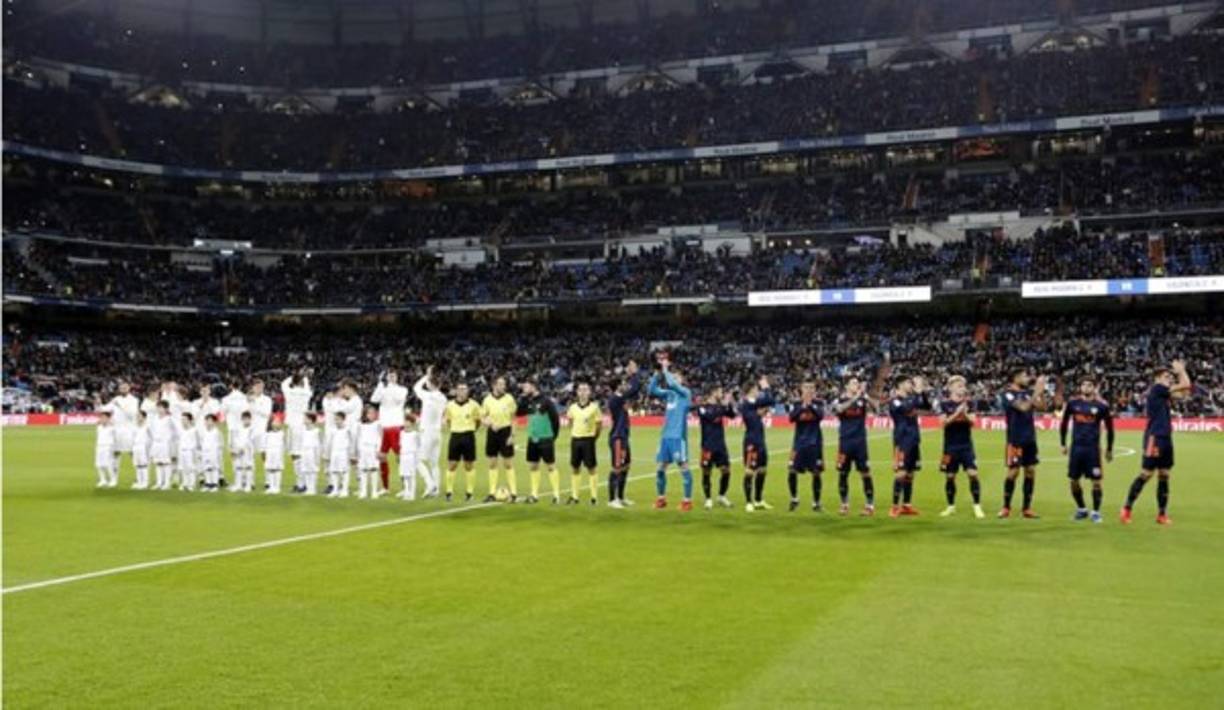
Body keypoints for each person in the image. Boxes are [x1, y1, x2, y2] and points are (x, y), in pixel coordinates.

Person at [1121, 360, 1191, 525]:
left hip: (1166, 437)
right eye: (1167, 376)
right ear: (1158, 378)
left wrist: (1182, 375)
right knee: (1146, 474)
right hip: (1155, 437)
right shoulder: (1157, 389)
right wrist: (1181, 371)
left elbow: (1185, 392)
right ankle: (1126, 508)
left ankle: (1161, 514)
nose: (1170, 379)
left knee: (1164, 475)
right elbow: (1185, 383)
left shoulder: (1164, 392)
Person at [1059, 378, 1114, 523]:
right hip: (1076, 448)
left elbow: (1110, 429)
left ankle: (1095, 512)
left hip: (1093, 449)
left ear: (1094, 388)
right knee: (1073, 480)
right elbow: (1064, 424)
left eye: (1089, 385)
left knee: (1096, 482)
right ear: (1080, 387)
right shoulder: (1073, 404)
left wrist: (1109, 448)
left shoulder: (1101, 407)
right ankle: (1082, 509)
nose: (1086, 387)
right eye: (1083, 384)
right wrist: (1063, 443)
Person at [999, 369, 1049, 519]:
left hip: (1029, 438)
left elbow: (1043, 408)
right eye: (1025, 375)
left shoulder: (1027, 393)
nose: (1027, 378)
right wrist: (1036, 392)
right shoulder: (1007, 394)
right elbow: (1023, 407)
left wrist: (1040, 393)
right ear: (1015, 378)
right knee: (1013, 473)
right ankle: (1006, 507)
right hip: (1015, 439)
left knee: (1030, 471)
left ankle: (1026, 508)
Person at [648, 359, 694, 511]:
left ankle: (687, 501)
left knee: (683, 466)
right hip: (665, 437)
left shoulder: (685, 393)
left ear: (682, 380)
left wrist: (666, 368)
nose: (673, 378)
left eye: (677, 377)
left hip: (678, 437)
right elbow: (651, 391)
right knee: (660, 468)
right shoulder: (669, 394)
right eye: (673, 376)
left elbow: (673, 384)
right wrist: (656, 374)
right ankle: (661, 499)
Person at [938, 376, 985, 519]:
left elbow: (972, 422)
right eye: (958, 385)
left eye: (963, 385)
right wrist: (957, 413)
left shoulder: (970, 404)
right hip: (950, 447)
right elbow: (943, 423)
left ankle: (977, 506)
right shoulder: (944, 404)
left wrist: (963, 413)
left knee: (973, 474)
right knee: (950, 476)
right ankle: (950, 506)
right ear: (951, 387)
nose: (962, 388)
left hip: (966, 446)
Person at [832, 376, 875, 516]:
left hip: (860, 443)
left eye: (857, 383)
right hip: (845, 442)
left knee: (865, 473)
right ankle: (844, 504)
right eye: (853, 383)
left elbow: (877, 408)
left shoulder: (862, 400)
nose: (856, 385)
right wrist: (855, 398)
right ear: (847, 386)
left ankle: (869, 505)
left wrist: (866, 397)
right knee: (843, 473)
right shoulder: (840, 400)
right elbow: (838, 409)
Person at [888, 375, 929, 517]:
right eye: (908, 383)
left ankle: (906, 505)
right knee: (901, 473)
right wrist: (917, 393)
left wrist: (922, 392)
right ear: (899, 385)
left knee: (911, 473)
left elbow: (927, 406)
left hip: (914, 440)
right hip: (902, 441)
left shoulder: (912, 398)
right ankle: (894, 506)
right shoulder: (895, 401)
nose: (911, 385)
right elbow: (906, 408)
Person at [518, 379, 561, 504]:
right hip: (532, 438)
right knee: (533, 466)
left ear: (533, 387)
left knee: (551, 466)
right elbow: (519, 412)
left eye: (526, 387)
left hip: (546, 438)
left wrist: (553, 436)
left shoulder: (546, 401)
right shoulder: (528, 401)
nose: (524, 389)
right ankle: (534, 495)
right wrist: (524, 397)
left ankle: (556, 495)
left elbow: (555, 419)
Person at [605, 360, 640, 508]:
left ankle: (621, 497)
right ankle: (612, 500)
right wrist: (633, 373)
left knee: (626, 466)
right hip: (617, 437)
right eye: (623, 383)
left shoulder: (620, 398)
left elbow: (634, 393)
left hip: (623, 436)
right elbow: (635, 388)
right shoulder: (615, 398)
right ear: (618, 386)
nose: (625, 385)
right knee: (617, 467)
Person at [786, 380, 825, 512]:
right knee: (792, 470)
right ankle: (794, 499)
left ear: (814, 391)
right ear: (801, 390)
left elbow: (820, 416)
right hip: (798, 444)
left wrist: (811, 406)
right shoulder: (796, 404)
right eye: (806, 387)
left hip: (815, 443)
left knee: (816, 472)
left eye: (811, 388)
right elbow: (791, 418)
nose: (809, 390)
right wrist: (803, 406)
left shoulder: (819, 403)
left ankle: (816, 503)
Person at [739, 376, 774, 512]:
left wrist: (760, 410)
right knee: (749, 472)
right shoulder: (746, 403)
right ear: (751, 390)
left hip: (760, 440)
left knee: (762, 470)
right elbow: (769, 400)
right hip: (751, 442)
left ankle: (758, 500)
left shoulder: (754, 404)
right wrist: (766, 386)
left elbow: (769, 402)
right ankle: (748, 502)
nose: (758, 391)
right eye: (756, 389)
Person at [480, 376, 518, 503]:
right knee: (492, 463)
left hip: (506, 431)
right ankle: (491, 493)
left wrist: (512, 435)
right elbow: (483, 419)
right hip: (492, 433)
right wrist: (489, 423)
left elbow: (513, 418)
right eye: (501, 384)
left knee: (508, 463)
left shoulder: (509, 399)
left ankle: (513, 493)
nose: (503, 386)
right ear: (494, 386)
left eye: (504, 384)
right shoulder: (487, 400)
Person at [698, 385, 736, 510]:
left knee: (726, 470)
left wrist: (729, 404)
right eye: (720, 391)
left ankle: (721, 496)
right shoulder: (702, 407)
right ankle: (708, 499)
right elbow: (712, 417)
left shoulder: (720, 406)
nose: (722, 393)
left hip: (720, 445)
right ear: (713, 393)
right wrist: (724, 405)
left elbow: (732, 415)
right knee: (706, 471)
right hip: (707, 446)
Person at [371, 370, 409, 493]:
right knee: (382, 457)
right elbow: (374, 399)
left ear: (397, 377)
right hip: (384, 426)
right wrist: (379, 385)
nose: (392, 377)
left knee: (400, 457)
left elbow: (398, 399)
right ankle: (385, 487)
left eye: (394, 375)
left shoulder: (402, 389)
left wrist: (389, 387)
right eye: (389, 375)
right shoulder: (383, 389)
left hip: (396, 426)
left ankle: (406, 487)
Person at [444, 382, 482, 502]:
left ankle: (469, 493)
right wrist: (455, 428)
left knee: (469, 465)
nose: (461, 391)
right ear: (456, 391)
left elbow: (478, 421)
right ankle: (449, 492)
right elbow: (448, 421)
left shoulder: (474, 405)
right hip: (455, 435)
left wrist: (471, 430)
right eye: (459, 389)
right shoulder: (449, 405)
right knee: (452, 464)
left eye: (464, 389)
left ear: (468, 391)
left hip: (468, 435)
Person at [414, 367, 447, 498]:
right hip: (437, 432)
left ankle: (430, 484)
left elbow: (416, 387)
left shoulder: (427, 395)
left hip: (427, 432)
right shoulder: (443, 398)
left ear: (430, 384)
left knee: (418, 461)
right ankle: (436, 490)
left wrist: (426, 376)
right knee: (434, 463)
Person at [567, 382, 602, 505]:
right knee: (575, 468)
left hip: (588, 440)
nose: (583, 392)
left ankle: (594, 497)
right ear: (577, 392)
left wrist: (593, 437)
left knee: (591, 468)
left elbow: (599, 425)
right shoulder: (572, 407)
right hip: (575, 440)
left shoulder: (594, 407)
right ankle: (575, 497)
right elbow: (570, 422)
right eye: (580, 389)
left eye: (585, 389)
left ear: (589, 392)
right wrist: (575, 432)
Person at [104, 379, 140, 478]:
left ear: (129, 388)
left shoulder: (134, 400)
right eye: (121, 388)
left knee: (132, 452)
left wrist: (120, 406)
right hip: (116, 430)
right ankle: (114, 478)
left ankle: (139, 477)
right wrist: (98, 404)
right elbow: (106, 408)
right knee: (115, 452)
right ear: (119, 389)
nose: (123, 389)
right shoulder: (116, 399)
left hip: (129, 430)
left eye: (125, 387)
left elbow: (132, 415)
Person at [282, 368, 314, 477]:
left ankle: (300, 481)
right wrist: (304, 378)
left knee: (295, 453)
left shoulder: (289, 392)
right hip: (303, 423)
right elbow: (308, 388)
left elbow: (284, 383)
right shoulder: (306, 392)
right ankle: (304, 479)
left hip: (292, 424)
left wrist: (294, 376)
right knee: (302, 452)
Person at [326, 410, 356, 498]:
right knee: (334, 471)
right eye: (335, 419)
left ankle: (344, 490)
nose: (336, 421)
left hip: (344, 452)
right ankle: (335, 489)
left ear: (343, 419)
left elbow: (352, 442)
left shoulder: (348, 430)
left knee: (344, 471)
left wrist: (352, 454)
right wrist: (327, 454)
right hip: (334, 452)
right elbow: (329, 442)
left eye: (338, 419)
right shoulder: (332, 430)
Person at [357, 405, 383, 500]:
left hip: (373, 448)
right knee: (363, 470)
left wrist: (379, 450)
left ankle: (374, 491)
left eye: (373, 413)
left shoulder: (377, 424)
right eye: (369, 413)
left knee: (373, 469)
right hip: (363, 448)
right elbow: (359, 437)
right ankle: (363, 491)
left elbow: (380, 438)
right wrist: (359, 450)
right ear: (365, 414)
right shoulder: (361, 424)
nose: (371, 415)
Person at [150, 400, 177, 491]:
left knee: (166, 463)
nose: (159, 409)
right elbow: (152, 430)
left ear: (166, 409)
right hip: (156, 442)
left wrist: (172, 439)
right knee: (158, 463)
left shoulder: (170, 419)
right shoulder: (155, 418)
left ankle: (167, 483)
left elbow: (177, 430)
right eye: (158, 407)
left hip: (165, 443)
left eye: (161, 407)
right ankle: (159, 482)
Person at [248, 379, 274, 467]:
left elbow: (267, 414)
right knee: (248, 453)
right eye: (257, 387)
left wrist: (255, 405)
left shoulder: (267, 400)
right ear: (253, 388)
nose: (259, 389)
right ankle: (248, 477)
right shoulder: (248, 399)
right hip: (249, 429)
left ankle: (268, 475)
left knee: (264, 452)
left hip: (261, 429)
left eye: (261, 387)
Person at [231, 411, 257, 493]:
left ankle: (248, 485)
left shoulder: (253, 429)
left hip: (248, 450)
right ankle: (238, 484)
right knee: (238, 466)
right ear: (242, 419)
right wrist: (236, 449)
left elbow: (250, 439)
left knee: (248, 467)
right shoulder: (239, 428)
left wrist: (243, 448)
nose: (246, 421)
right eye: (244, 419)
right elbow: (236, 438)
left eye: (247, 419)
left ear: (250, 419)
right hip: (239, 450)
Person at [296, 413, 322, 495]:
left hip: (312, 451)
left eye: (306, 418)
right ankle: (308, 488)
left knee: (313, 470)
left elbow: (318, 444)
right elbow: (301, 442)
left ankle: (312, 488)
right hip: (304, 451)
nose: (304, 420)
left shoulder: (316, 431)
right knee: (305, 470)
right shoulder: (303, 431)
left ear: (310, 420)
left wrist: (317, 455)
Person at [399, 411, 421, 501]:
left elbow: (418, 445)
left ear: (412, 423)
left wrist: (416, 457)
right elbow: (400, 444)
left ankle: (412, 494)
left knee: (412, 475)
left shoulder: (415, 434)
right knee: (404, 475)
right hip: (403, 455)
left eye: (408, 422)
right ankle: (407, 491)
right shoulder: (401, 433)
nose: (406, 423)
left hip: (411, 455)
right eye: (405, 421)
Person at [200, 414, 223, 492]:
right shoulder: (203, 431)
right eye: (206, 420)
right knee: (207, 467)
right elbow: (202, 442)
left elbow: (220, 443)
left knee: (214, 468)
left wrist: (218, 452)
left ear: (214, 422)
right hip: (205, 452)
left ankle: (215, 484)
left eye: (210, 421)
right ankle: (208, 483)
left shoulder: (216, 432)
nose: (208, 422)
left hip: (214, 452)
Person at [94, 410, 117, 488]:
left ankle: (113, 480)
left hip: (108, 446)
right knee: (99, 464)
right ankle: (103, 480)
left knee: (108, 464)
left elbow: (115, 437)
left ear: (108, 418)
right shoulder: (99, 427)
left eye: (104, 417)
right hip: (99, 446)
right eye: (101, 417)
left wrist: (113, 448)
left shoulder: (112, 428)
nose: (102, 419)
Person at [264, 418, 287, 495]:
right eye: (274, 421)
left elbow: (284, 444)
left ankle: (277, 487)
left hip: (278, 453)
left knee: (277, 469)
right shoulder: (268, 434)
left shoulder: (281, 433)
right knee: (270, 469)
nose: (276, 423)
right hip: (270, 453)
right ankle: (271, 487)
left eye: (278, 422)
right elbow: (265, 444)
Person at [177, 412, 199, 491]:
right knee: (183, 468)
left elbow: (196, 442)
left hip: (190, 451)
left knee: (191, 468)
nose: (183, 421)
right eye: (182, 419)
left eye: (185, 419)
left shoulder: (193, 430)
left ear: (189, 420)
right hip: (182, 451)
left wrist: (194, 452)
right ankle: (185, 483)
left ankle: (191, 484)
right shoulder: (181, 431)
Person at [131, 410, 151, 490]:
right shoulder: (134, 427)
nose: (137, 418)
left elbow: (151, 437)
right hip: (136, 447)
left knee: (144, 465)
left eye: (139, 416)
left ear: (144, 417)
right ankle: (139, 482)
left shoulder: (147, 426)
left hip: (143, 446)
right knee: (137, 465)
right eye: (137, 416)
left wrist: (149, 447)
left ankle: (145, 482)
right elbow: (132, 438)